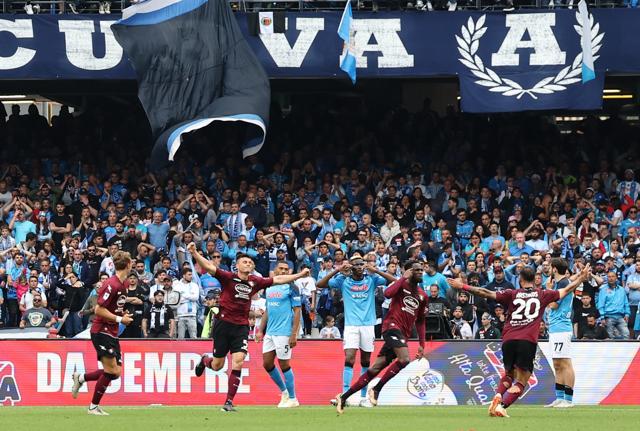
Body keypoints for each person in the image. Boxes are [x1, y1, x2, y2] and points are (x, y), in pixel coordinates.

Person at [447, 264, 590, 418]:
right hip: (527, 341)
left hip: (508, 339)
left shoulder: (511, 293)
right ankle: (502, 406)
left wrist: (462, 285)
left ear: (520, 280)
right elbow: (567, 290)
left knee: (509, 374)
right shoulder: (543, 294)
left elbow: (485, 292)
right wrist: (580, 278)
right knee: (522, 381)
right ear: (534, 280)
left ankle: (498, 395)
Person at [189, 242, 310, 412]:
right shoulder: (228, 277)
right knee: (217, 366)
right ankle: (205, 360)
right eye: (244, 262)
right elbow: (209, 267)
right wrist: (195, 253)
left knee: (238, 362)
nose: (248, 264)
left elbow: (279, 279)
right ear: (237, 265)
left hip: (241, 327)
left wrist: (299, 275)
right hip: (223, 324)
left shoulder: (256, 281)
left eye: (250, 263)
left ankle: (228, 402)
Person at [336, 261, 427, 414]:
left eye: (421, 270)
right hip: (391, 327)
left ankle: (343, 397)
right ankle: (376, 390)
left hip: (403, 334)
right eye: (416, 270)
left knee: (375, 368)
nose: (420, 272)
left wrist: (422, 344)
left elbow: (421, 321)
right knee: (404, 359)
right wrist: (402, 279)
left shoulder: (422, 296)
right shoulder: (401, 285)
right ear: (409, 271)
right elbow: (387, 294)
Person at [317, 255, 396, 407]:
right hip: (351, 326)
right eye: (356, 265)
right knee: (349, 359)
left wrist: (376, 270)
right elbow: (320, 284)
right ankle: (344, 396)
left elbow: (393, 281)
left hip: (368, 325)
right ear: (351, 267)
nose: (360, 267)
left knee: (366, 361)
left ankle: (362, 397)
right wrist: (337, 270)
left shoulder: (371, 279)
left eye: (362, 264)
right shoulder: (343, 280)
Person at [70, 251, 134, 416]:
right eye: (131, 261)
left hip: (111, 331)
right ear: (128, 264)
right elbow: (98, 309)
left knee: (116, 372)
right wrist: (120, 320)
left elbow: (115, 307)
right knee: (111, 371)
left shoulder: (123, 283)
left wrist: (122, 315)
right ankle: (93, 407)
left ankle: (81, 378)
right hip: (101, 330)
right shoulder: (111, 284)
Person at [256, 261, 302, 408]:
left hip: (284, 332)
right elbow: (268, 310)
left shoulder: (292, 287)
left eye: (286, 269)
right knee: (267, 363)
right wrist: (260, 330)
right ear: (274, 270)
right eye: (280, 268)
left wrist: (293, 334)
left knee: (284, 365)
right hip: (270, 332)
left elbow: (297, 311)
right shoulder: (269, 287)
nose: (283, 271)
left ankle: (293, 398)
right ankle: (284, 392)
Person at [545, 258, 576, 408]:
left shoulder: (563, 283)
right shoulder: (560, 283)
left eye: (551, 267)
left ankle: (568, 400)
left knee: (565, 363)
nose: (549, 270)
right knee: (557, 363)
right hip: (555, 327)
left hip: (562, 328)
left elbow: (553, 304)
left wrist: (548, 289)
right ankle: (559, 397)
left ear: (555, 269)